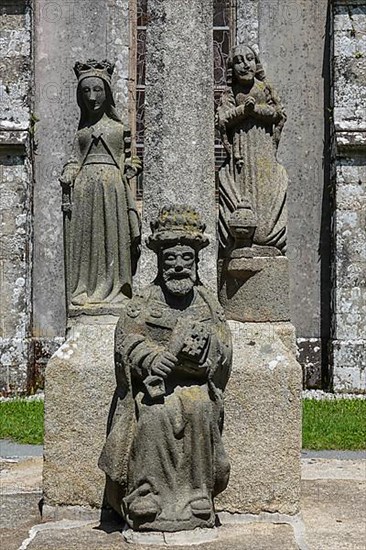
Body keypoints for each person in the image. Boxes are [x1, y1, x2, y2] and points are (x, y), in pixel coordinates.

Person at [99, 206, 232, 532]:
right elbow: (125, 342)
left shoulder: (206, 302)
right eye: (170, 259)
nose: (177, 267)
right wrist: (150, 359)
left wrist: (207, 355)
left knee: (198, 408)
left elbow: (224, 347)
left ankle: (197, 496)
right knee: (153, 413)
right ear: (159, 262)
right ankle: (146, 495)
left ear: (196, 262)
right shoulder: (143, 301)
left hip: (196, 386)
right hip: (151, 390)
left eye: (185, 259)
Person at [59, 59, 141, 310]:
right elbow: (74, 160)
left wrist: (132, 167)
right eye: (86, 91)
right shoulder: (81, 131)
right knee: (87, 241)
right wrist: (69, 173)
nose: (92, 97)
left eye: (97, 90)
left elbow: (131, 158)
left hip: (113, 191)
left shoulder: (119, 128)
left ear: (107, 93)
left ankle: (116, 289)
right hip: (85, 190)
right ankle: (84, 289)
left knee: (113, 239)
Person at [217, 45, 288, 255]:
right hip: (241, 153)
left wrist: (255, 109)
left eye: (249, 59)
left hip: (263, 149)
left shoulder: (264, 88)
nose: (244, 64)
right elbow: (222, 119)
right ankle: (242, 239)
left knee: (266, 191)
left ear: (255, 63)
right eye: (238, 60)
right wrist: (242, 110)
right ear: (232, 67)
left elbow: (278, 113)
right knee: (242, 192)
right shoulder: (230, 93)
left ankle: (265, 240)